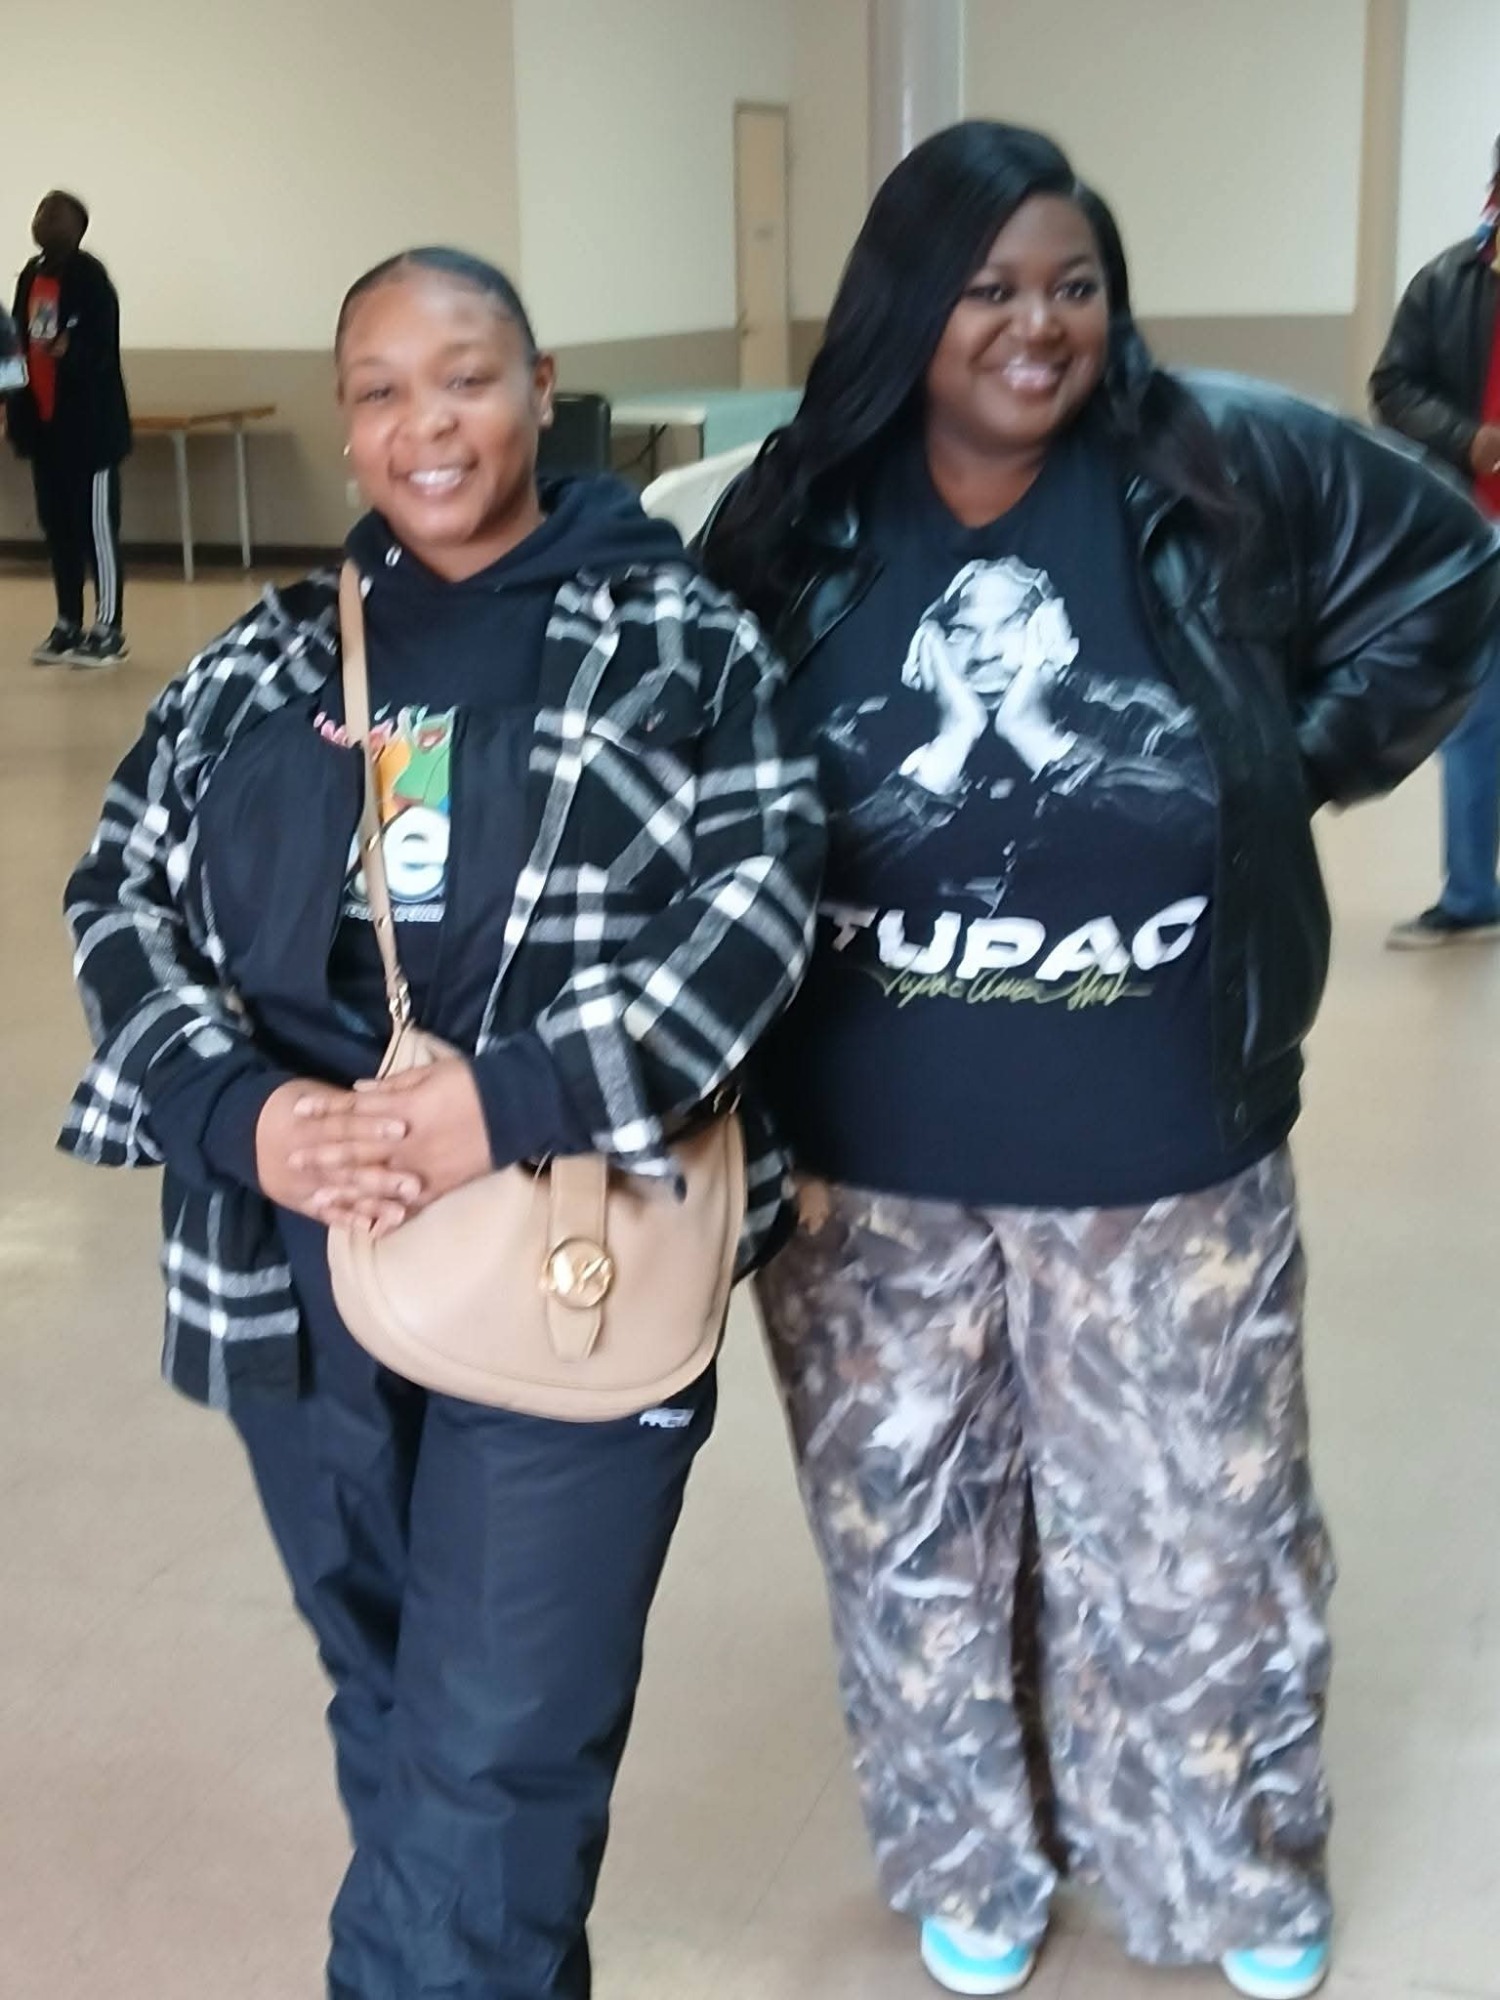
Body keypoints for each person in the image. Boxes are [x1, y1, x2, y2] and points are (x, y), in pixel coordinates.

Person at [701, 122, 1500, 2000]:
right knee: (914, 1536)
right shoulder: (796, 513)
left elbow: (1452, 573)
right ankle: (971, 1858)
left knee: (1200, 1539)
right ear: (909, 305)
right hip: (864, 1164)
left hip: (1162, 1145)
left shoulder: (1218, 456)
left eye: (1073, 284)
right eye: (987, 288)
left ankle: (1227, 1868)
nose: (1037, 324)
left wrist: (1285, 764)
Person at [59, 246, 823, 1999]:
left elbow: (760, 905)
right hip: (291, 1258)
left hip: (573, 1245)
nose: (428, 425)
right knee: (402, 1699)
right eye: (381, 391)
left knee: (497, 1739)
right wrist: (235, 1111)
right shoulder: (265, 658)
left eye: (467, 378)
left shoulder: (682, 643)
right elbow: (119, 890)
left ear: (542, 388)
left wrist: (515, 1102)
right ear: (347, 426)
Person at [1372, 138, 1500, 948]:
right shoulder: (1446, 283)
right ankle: (1472, 897)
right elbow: (1393, 386)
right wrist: (1466, 439)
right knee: (1477, 718)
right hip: (1474, 533)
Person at [7, 190, 131, 668]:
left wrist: (71, 351)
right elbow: (16, 343)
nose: (44, 219)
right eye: (41, 211)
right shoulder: (31, 276)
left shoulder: (91, 280)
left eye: (55, 214)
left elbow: (102, 347)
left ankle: (108, 628)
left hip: (90, 434)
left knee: (96, 531)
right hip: (45, 431)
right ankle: (67, 622)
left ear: (76, 229)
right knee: (57, 529)